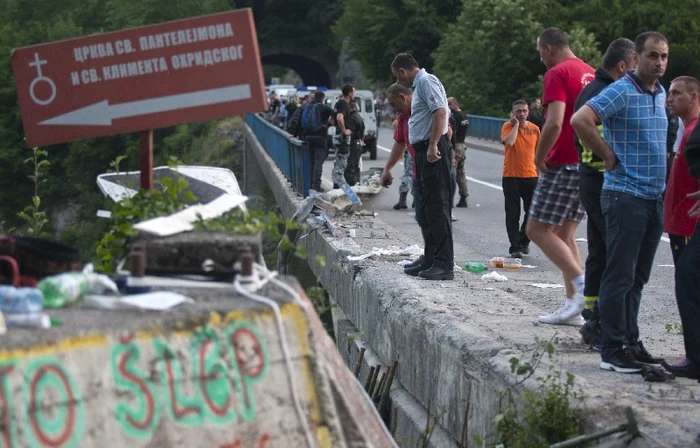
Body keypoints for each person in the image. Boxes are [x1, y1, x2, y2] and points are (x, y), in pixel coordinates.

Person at [571, 31, 670, 374]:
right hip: (625, 196)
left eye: (663, 57)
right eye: (653, 56)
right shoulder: (622, 90)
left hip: (652, 198)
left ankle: (631, 340)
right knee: (619, 275)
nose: (659, 63)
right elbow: (580, 120)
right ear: (637, 58)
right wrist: (607, 155)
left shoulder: (659, 94)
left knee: (638, 277)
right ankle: (612, 348)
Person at [526, 28, 594, 326]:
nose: (541, 59)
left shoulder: (557, 73)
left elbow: (553, 123)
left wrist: (539, 158)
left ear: (549, 48)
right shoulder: (589, 72)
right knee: (565, 234)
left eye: (541, 53)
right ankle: (574, 308)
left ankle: (581, 288)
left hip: (563, 161)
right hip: (586, 161)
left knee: (537, 230)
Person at [573, 37, 636, 347]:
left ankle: (592, 315)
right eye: (634, 68)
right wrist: (612, 158)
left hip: (590, 177)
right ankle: (602, 322)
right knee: (614, 252)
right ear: (622, 66)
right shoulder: (608, 93)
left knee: (599, 250)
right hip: (602, 178)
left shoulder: (589, 89)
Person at [392, 53, 454, 280]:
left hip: (431, 150)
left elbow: (440, 111)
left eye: (398, 78)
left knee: (438, 206)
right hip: (423, 150)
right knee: (428, 209)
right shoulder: (419, 87)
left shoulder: (427, 82)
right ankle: (431, 257)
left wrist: (434, 144)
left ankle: (444, 264)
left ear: (402, 71)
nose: (400, 83)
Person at [663, 76, 700, 369]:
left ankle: (694, 358)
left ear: (694, 96)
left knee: (688, 284)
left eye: (677, 94)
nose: (670, 98)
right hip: (678, 221)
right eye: (669, 93)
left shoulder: (695, 130)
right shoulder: (684, 129)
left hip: (690, 222)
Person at [380, 83, 433, 277]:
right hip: (417, 173)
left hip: (432, 171)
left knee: (434, 216)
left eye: (395, 105)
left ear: (403, 97)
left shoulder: (423, 111)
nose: (394, 110)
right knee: (422, 217)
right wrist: (387, 169)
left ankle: (438, 260)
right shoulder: (404, 117)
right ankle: (429, 256)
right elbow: (400, 143)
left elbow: (447, 132)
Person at [501, 99, 540, 259]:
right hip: (511, 176)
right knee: (512, 213)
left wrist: (540, 173)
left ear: (528, 112)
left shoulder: (535, 129)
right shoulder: (507, 127)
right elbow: (509, 142)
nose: (522, 114)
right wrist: (516, 125)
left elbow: (538, 153)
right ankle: (515, 247)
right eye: (518, 111)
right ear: (513, 113)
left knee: (533, 212)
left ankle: (524, 240)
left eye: (524, 111)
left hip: (531, 175)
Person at [301, 90, 336, 194]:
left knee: (311, 161)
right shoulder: (323, 107)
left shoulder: (306, 106)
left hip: (307, 138)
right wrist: (327, 125)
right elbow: (335, 114)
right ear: (322, 98)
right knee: (318, 162)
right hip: (320, 138)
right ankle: (316, 185)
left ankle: (309, 184)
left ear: (314, 97)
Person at [333, 84, 356, 188]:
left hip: (338, 137)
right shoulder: (343, 104)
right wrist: (344, 130)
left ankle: (336, 185)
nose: (354, 95)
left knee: (338, 162)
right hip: (343, 139)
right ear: (350, 93)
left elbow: (331, 119)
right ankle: (339, 187)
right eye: (354, 92)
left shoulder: (338, 103)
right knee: (342, 164)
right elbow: (339, 117)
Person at [448, 97, 469, 208]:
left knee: (452, 173)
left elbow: (452, 132)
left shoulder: (455, 117)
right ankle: (463, 197)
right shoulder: (464, 115)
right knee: (461, 173)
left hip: (456, 146)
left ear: (456, 103)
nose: (449, 106)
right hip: (462, 146)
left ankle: (450, 199)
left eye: (450, 104)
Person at [344, 102, 365, 186]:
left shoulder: (352, 118)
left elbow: (350, 133)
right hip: (358, 143)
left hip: (353, 144)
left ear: (350, 108)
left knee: (350, 166)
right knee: (356, 166)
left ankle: (351, 186)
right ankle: (357, 183)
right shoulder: (358, 116)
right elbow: (363, 131)